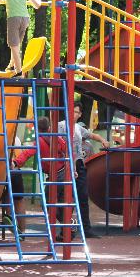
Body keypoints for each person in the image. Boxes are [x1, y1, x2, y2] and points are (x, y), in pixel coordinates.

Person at [59, 101, 110, 239]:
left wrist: (102, 140)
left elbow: (92, 135)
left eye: (76, 112)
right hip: (64, 164)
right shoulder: (61, 126)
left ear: (80, 114)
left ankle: (86, 229)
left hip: (79, 164)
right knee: (64, 197)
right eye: (72, 111)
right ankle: (65, 229)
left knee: (83, 196)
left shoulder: (78, 128)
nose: (73, 114)